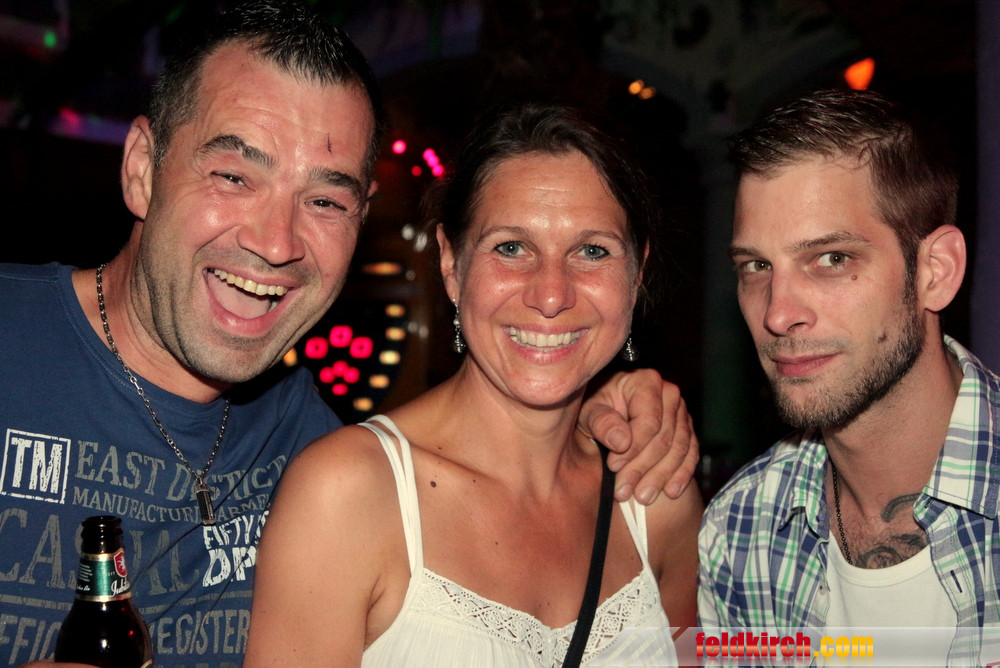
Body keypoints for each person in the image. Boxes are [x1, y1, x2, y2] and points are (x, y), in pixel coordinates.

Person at [1, 2, 700, 667]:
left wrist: (603, 399)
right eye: (234, 175)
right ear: (140, 170)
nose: (276, 242)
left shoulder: (305, 434)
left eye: (324, 200)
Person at [243, 102, 704, 667]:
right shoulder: (348, 494)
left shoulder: (657, 499)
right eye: (511, 247)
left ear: (636, 274)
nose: (551, 294)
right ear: (451, 264)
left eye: (592, 251)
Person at [697, 87, 999, 666]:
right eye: (756, 266)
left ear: (936, 271)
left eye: (832, 259)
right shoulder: (741, 529)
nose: (777, 313)